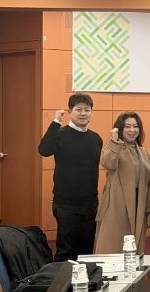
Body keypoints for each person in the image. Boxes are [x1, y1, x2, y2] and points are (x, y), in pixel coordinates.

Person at [38, 93, 102, 262]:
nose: (83, 113)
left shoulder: (96, 138)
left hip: (89, 203)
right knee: (65, 252)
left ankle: (85, 280)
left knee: (86, 252)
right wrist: (56, 122)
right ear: (70, 111)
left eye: (87, 110)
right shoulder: (60, 134)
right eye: (78, 109)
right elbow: (44, 150)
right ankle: (61, 280)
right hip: (65, 204)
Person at [94, 112, 150, 255]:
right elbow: (108, 163)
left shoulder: (145, 152)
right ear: (120, 129)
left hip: (139, 204)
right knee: (112, 246)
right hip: (116, 204)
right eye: (127, 127)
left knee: (134, 250)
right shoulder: (112, 147)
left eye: (135, 126)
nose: (132, 130)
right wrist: (114, 141)